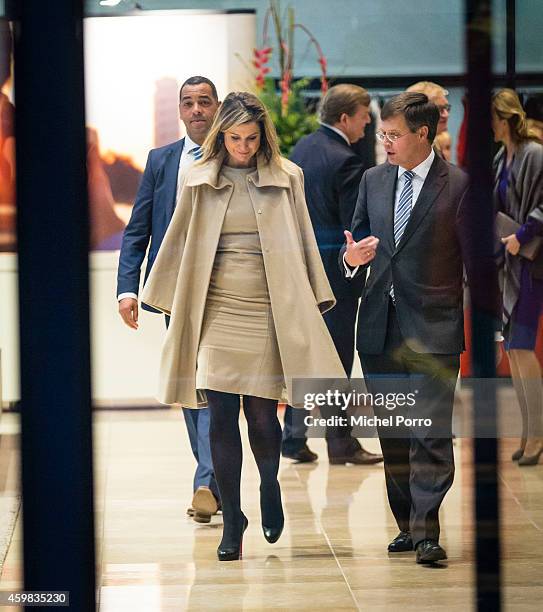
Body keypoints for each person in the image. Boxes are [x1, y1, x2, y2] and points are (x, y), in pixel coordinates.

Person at [141, 91, 346, 561]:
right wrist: (160, 295)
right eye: (235, 138)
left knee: (260, 415)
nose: (243, 146)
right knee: (219, 415)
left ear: (262, 136)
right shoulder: (197, 178)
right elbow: (180, 240)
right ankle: (232, 518)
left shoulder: (287, 176)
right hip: (215, 308)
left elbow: (303, 237)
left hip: (268, 307)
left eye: (251, 138)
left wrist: (315, 294)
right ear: (221, 135)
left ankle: (270, 483)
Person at [341, 92, 471, 564]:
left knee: (430, 432)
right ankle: (407, 525)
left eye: (394, 135)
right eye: (382, 134)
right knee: (393, 433)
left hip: (433, 328)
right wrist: (351, 260)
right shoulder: (373, 180)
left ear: (424, 133)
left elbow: (476, 262)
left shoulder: (458, 185)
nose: (385, 143)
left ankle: (429, 529)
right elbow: (355, 244)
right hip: (379, 327)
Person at [116, 76, 221, 523]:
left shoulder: (235, 155)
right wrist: (127, 288)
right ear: (179, 110)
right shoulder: (162, 161)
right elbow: (137, 228)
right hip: (173, 290)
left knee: (214, 383)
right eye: (188, 102)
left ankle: (207, 480)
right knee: (188, 382)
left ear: (217, 107)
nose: (196, 110)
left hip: (224, 288)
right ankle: (208, 479)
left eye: (204, 101)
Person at [282, 84, 383, 466]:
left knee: (307, 357)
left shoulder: (303, 149)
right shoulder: (346, 160)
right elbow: (352, 225)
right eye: (363, 115)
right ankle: (341, 443)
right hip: (336, 275)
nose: (367, 122)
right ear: (345, 118)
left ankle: (293, 438)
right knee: (336, 361)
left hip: (300, 270)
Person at [492, 88, 543, 466]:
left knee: (522, 349)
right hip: (510, 262)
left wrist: (520, 237)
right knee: (515, 350)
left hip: (530, 261)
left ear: (505, 118)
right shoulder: (501, 158)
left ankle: (537, 434)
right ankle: (529, 431)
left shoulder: (534, 154)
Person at [406, 81, 450, 157]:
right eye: (439, 109)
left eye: (447, 108)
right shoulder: (408, 153)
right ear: (417, 113)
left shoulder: (432, 144)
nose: (446, 114)